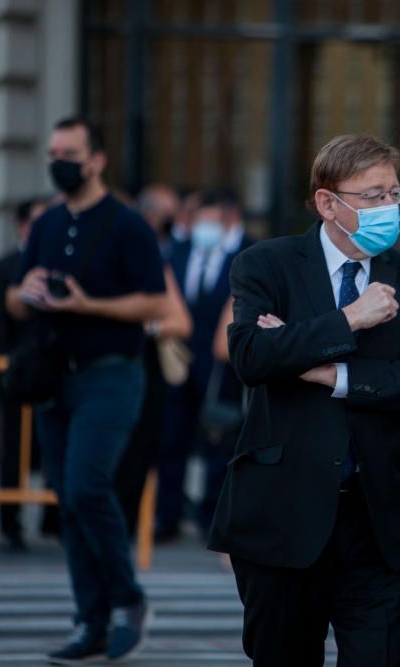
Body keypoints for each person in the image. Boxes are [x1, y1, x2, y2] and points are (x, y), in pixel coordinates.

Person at [207, 134, 400, 666]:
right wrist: (348, 320)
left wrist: (329, 371)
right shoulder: (266, 264)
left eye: (394, 193)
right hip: (283, 513)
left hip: (379, 516)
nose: (388, 207)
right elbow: (251, 356)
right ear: (328, 203)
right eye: (372, 195)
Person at [6, 116, 167, 664]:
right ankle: (90, 619)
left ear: (96, 159)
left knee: (85, 487)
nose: (58, 161)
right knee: (69, 503)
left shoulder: (129, 226)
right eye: (53, 151)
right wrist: (24, 292)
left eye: (69, 152)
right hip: (56, 376)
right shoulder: (47, 225)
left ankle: (127, 599)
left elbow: (157, 304)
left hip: (112, 373)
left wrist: (86, 305)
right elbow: (13, 299)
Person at [157, 189, 251, 541]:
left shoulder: (244, 257)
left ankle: (212, 516)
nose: (203, 228)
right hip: (179, 364)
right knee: (171, 440)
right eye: (199, 221)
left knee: (219, 440)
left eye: (211, 221)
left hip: (221, 366)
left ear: (226, 220)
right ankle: (167, 516)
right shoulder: (177, 254)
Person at [115, 193, 193, 539]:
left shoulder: (153, 266)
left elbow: (180, 322)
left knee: (133, 459)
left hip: (141, 375)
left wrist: (142, 326)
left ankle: (122, 532)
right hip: (96, 371)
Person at [0, 196, 51, 552]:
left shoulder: (61, 267)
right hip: (16, 376)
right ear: (23, 226)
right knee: (13, 453)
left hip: (54, 375)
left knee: (55, 451)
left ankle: (53, 520)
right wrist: (2, 376)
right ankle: (10, 523)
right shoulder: (5, 267)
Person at [137, 184, 180, 260]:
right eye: (166, 217)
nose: (170, 223)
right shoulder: (132, 246)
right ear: (148, 214)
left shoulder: (179, 248)